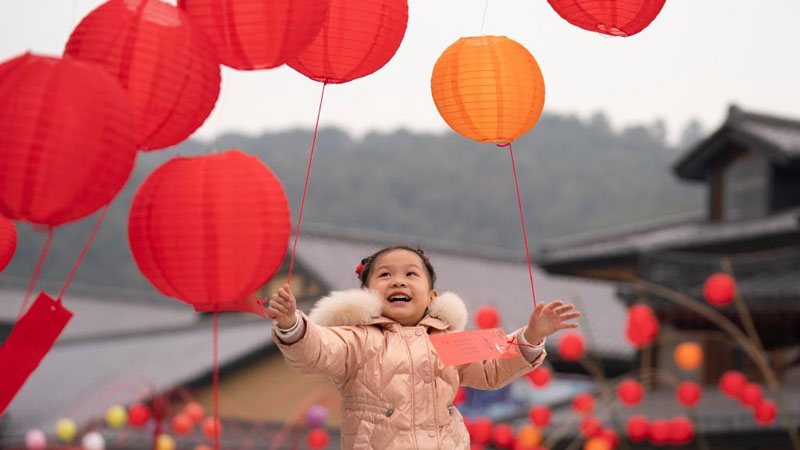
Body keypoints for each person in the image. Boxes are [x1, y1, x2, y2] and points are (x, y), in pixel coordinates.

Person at [268, 245, 580, 449]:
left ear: (431, 297)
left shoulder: (447, 339)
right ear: (366, 294)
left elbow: (492, 371)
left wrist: (531, 335)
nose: (398, 281)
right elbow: (319, 349)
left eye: (410, 274)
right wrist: (291, 324)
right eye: (385, 274)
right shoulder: (357, 338)